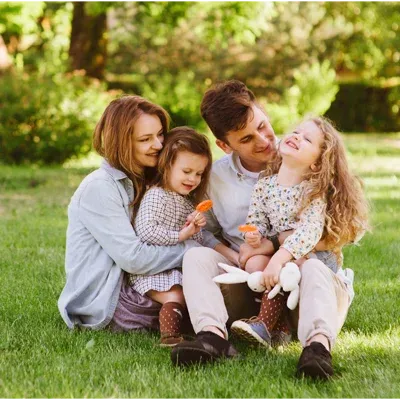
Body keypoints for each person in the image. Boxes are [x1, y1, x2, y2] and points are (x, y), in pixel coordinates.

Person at [171, 80, 365, 379]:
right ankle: (212, 338)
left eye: (263, 125)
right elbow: (203, 231)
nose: (263, 140)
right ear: (225, 146)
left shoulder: (312, 158)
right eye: (247, 138)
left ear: (263, 111)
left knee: (312, 268)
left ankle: (317, 349)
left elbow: (350, 229)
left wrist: (274, 245)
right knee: (195, 257)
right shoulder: (214, 178)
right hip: (252, 284)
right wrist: (235, 256)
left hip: (310, 287)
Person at [58, 96, 202, 332]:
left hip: (141, 280)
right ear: (122, 143)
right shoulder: (100, 187)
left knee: (208, 290)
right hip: (110, 297)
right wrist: (193, 252)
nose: (157, 145)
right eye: (145, 139)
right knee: (193, 300)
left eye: (160, 135)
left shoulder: (149, 179)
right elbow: (133, 259)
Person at [230, 116, 369, 354]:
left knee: (290, 267)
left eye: (307, 139)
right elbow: (257, 220)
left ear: (316, 163)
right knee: (254, 262)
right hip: (281, 256)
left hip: (311, 259)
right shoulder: (266, 185)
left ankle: (265, 324)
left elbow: (309, 233)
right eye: (296, 132)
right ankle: (280, 326)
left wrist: (278, 258)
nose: (296, 137)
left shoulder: (312, 192)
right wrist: (254, 235)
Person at [129, 127, 235, 346]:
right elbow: (146, 231)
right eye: (186, 171)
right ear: (166, 165)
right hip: (155, 269)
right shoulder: (157, 195)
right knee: (176, 296)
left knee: (195, 292)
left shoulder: (186, 201)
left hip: (178, 267)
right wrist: (182, 234)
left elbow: (201, 239)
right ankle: (170, 335)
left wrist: (227, 252)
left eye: (198, 174)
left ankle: (202, 328)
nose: (193, 179)